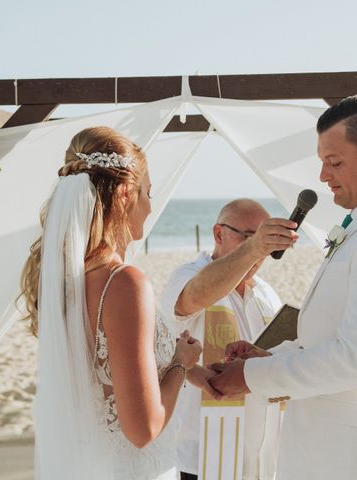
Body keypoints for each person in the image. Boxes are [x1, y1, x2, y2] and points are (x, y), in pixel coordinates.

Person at [209, 95, 357, 479]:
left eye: (335, 162)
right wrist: (268, 357)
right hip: (325, 453)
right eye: (322, 162)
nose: (323, 176)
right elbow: (330, 334)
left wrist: (249, 378)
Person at [19, 126, 218, 480]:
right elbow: (143, 429)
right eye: (148, 193)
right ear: (125, 194)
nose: (150, 206)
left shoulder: (67, 280)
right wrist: (181, 364)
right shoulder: (124, 282)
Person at [160, 199, 297, 480]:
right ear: (218, 234)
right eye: (248, 236)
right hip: (202, 455)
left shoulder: (266, 292)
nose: (258, 248)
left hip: (262, 459)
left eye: (263, 240)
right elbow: (193, 298)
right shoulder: (188, 275)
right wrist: (255, 247)